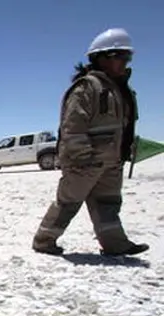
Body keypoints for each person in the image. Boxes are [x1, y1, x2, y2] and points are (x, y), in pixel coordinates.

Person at [32, 28, 148, 257]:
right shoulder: (86, 88)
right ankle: (44, 242)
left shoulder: (120, 90)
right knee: (67, 203)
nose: (125, 62)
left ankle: (115, 244)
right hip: (86, 161)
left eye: (128, 57)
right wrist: (82, 157)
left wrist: (125, 151)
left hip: (112, 161)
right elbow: (72, 126)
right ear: (102, 58)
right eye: (120, 57)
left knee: (108, 204)